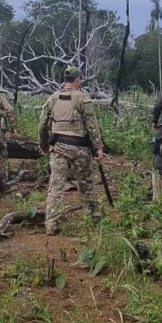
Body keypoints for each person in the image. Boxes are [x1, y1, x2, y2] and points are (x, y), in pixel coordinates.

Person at [38, 65, 105, 235]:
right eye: (80, 79)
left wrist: (44, 145)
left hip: (59, 148)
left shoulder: (53, 98)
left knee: (56, 185)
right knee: (85, 183)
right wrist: (98, 147)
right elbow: (92, 126)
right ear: (77, 80)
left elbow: (42, 125)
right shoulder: (83, 98)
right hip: (79, 148)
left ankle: (51, 223)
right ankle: (93, 217)